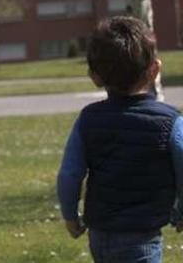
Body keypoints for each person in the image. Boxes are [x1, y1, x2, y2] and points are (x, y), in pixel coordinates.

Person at [56, 16, 183, 263]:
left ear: (94, 76)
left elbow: (69, 174)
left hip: (100, 235)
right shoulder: (170, 122)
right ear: (155, 69)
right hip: (142, 237)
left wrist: (70, 216)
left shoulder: (88, 119)